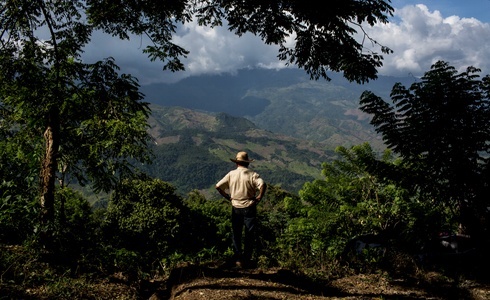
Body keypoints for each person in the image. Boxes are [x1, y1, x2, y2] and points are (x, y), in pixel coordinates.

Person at [216, 151, 267, 268]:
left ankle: (238, 259)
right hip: (249, 206)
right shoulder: (252, 174)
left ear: (237, 163)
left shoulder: (231, 174)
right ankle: (247, 258)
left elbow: (218, 186)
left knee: (236, 233)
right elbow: (263, 184)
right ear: (247, 163)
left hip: (236, 207)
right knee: (249, 233)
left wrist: (228, 197)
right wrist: (259, 197)